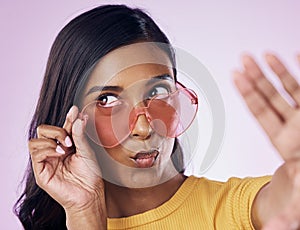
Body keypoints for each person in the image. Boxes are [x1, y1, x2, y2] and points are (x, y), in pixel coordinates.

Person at [14, 4, 300, 230]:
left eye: (158, 92)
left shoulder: (231, 208)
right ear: (68, 118)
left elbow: (286, 197)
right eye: (108, 100)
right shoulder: (68, 221)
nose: (142, 127)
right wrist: (84, 213)